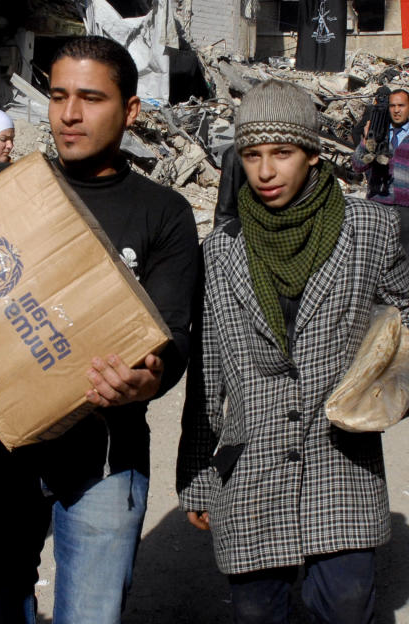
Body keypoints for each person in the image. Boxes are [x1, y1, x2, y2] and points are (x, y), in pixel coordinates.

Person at [0, 36, 199, 623]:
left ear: (131, 111)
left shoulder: (162, 212)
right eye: (59, 96)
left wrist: (143, 380)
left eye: (90, 98)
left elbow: (172, 338)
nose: (69, 114)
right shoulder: (2, 190)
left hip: (104, 461)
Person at [177, 79, 409, 624]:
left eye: (281, 153)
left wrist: (384, 384)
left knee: (348, 604)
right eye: (252, 155)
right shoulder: (221, 252)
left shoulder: (370, 229)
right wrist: (197, 475)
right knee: (259, 612)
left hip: (342, 456)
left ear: (311, 154)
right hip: (252, 460)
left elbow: (404, 311)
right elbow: (208, 370)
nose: (264, 171)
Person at [352, 88, 409, 251]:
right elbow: (357, 165)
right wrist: (366, 140)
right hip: (378, 206)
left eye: (401, 105)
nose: (397, 110)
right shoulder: (378, 133)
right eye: (393, 106)